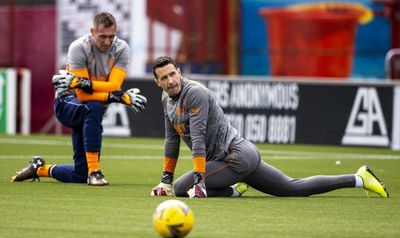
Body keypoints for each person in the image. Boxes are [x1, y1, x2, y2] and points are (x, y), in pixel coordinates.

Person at [150, 56, 389, 198]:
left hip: (237, 157)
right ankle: (358, 178)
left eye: (173, 74)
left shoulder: (195, 94)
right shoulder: (165, 99)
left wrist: (200, 181)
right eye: (164, 78)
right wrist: (164, 181)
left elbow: (199, 138)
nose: (171, 81)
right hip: (227, 162)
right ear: (157, 82)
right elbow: (171, 140)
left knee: (184, 188)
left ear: (179, 72)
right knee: (294, 189)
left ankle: (231, 188)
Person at [11, 12, 147, 186]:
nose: (107, 42)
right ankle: (95, 172)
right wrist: (118, 98)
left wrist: (86, 83)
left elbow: (113, 86)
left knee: (79, 175)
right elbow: (82, 96)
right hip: (66, 102)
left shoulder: (122, 49)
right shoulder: (79, 47)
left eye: (111, 37)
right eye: (102, 37)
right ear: (92, 31)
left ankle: (39, 168)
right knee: (93, 106)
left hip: (91, 109)